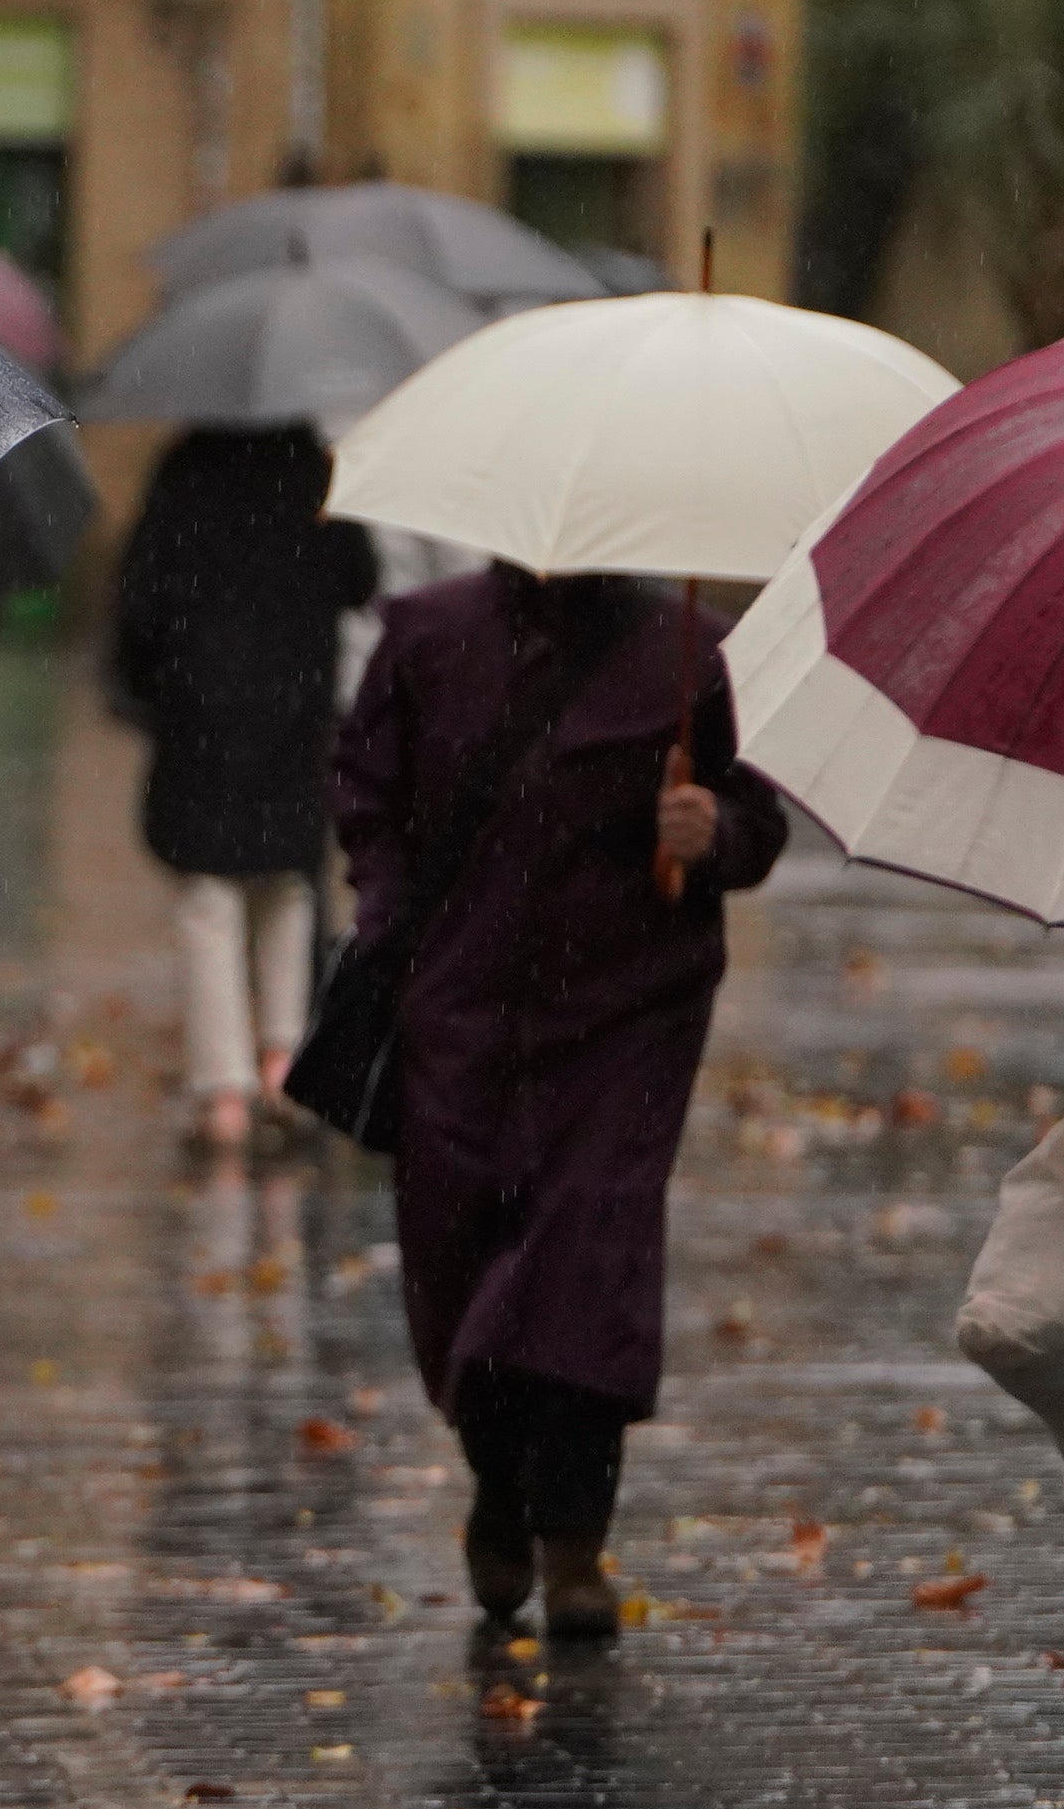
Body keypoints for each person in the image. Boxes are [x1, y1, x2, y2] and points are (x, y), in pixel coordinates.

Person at [331, 565, 785, 1639]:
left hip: (626, 1016)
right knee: (461, 1258)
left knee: (588, 1264)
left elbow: (758, 822)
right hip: (460, 1011)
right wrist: (395, 924)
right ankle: (497, 1476)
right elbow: (367, 796)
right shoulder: (424, 633)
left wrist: (708, 831)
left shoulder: (690, 653)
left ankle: (575, 1535)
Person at [110, 427, 379, 1149]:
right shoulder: (313, 466)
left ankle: (223, 1092)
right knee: (288, 882)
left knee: (210, 897)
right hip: (295, 706)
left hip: (201, 712)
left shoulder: (185, 468)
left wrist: (151, 686)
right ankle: (285, 1061)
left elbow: (140, 602)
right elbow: (358, 575)